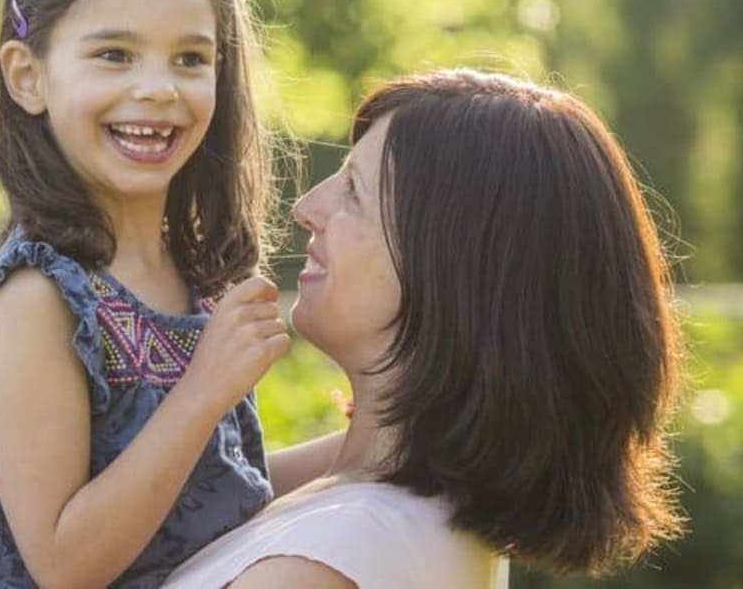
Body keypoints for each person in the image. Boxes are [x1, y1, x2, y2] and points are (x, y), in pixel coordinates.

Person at [164, 68, 686, 588]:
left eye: (354, 191)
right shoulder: (384, 492)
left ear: (452, 268)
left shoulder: (338, 556)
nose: (307, 208)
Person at [0, 0, 305, 589]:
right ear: (28, 77)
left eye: (190, 59)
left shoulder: (194, 282)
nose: (157, 89)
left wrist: (376, 452)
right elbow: (66, 562)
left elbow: (216, 494)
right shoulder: (35, 299)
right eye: (114, 55)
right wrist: (204, 389)